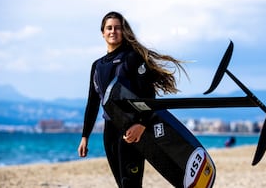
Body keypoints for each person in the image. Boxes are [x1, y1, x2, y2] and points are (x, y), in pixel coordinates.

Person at [77, 11, 187, 188]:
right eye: (109, 28)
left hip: (133, 129)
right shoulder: (97, 66)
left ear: (124, 31)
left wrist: (141, 124)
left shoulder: (132, 58)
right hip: (110, 131)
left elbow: (148, 94)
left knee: (131, 183)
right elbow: (93, 103)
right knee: (122, 184)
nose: (113, 31)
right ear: (102, 33)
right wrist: (85, 136)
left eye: (118, 28)